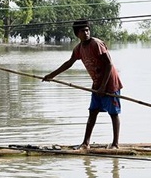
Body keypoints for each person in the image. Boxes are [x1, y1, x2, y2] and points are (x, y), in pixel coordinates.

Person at [43, 20, 123, 149]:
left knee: (113, 113)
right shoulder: (79, 49)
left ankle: (115, 144)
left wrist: (103, 87)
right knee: (93, 112)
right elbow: (69, 63)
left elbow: (109, 64)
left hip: (110, 83)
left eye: (87, 30)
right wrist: (52, 75)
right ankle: (85, 143)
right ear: (77, 34)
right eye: (82, 31)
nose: (86, 33)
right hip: (97, 84)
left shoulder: (96, 44)